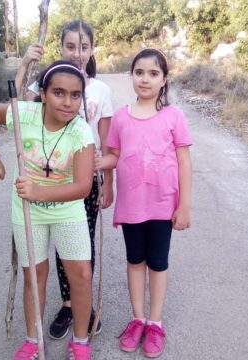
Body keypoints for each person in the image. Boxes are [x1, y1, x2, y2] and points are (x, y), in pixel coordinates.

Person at [0, 60, 95, 360]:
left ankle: (81, 342)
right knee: (35, 274)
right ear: (43, 93)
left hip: (67, 210)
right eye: (59, 92)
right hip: (28, 211)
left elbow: (83, 186)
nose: (68, 102)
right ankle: (33, 340)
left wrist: (39, 191)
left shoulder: (81, 132)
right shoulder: (24, 114)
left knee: (81, 275)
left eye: (75, 95)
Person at [15, 19, 113, 340]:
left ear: (92, 49)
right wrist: (25, 64)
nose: (77, 53)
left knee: (80, 244)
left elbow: (106, 140)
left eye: (84, 47)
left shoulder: (100, 89)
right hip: (48, 175)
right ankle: (68, 304)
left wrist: (107, 181)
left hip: (84, 177)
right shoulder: (47, 82)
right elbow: (18, 110)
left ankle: (82, 303)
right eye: (70, 46)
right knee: (55, 248)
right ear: (61, 47)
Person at [95, 48, 193, 358]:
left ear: (164, 79)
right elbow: (113, 155)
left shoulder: (173, 116)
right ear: (132, 76)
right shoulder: (122, 116)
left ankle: (155, 322)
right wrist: (95, 164)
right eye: (139, 72)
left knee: (158, 262)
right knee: (135, 259)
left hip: (163, 205)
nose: (145, 79)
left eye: (153, 73)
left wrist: (185, 205)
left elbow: (184, 162)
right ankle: (137, 318)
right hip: (132, 204)